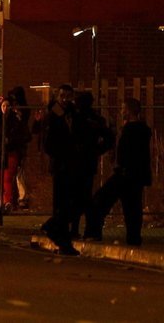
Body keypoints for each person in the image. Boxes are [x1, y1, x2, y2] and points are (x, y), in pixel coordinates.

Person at [84, 98, 152, 246]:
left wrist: (119, 166)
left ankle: (93, 233)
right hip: (135, 175)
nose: (121, 112)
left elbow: (127, 153)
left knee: (100, 200)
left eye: (123, 109)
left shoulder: (130, 130)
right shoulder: (141, 130)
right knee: (132, 208)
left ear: (128, 110)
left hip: (125, 174)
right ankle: (133, 239)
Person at [41, 84, 81, 255]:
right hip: (60, 164)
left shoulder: (72, 113)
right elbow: (48, 143)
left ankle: (56, 230)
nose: (65, 99)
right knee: (62, 202)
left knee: (70, 202)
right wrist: (62, 153)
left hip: (71, 163)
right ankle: (62, 239)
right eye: (62, 96)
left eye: (68, 96)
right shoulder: (53, 115)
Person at [70, 91, 114, 237]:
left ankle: (77, 229)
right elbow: (109, 138)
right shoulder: (94, 119)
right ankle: (87, 229)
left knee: (77, 197)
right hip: (86, 162)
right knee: (84, 196)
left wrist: (96, 150)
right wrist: (97, 150)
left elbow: (108, 138)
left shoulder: (78, 118)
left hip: (78, 161)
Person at [0, 95, 31, 212]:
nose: (5, 108)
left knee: (7, 179)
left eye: (8, 106)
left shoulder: (15, 121)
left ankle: (7, 202)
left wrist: (10, 140)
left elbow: (22, 135)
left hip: (10, 152)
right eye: (3, 105)